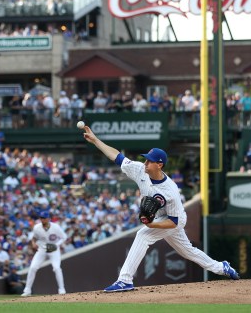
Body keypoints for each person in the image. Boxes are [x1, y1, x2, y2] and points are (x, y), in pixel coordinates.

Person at [81, 125, 240, 292]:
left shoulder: (170, 191)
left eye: (150, 160)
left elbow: (173, 222)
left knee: (143, 235)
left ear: (160, 165)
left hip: (174, 220)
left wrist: (152, 225)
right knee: (188, 252)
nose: (146, 162)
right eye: (146, 159)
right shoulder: (140, 170)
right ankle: (222, 267)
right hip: (161, 217)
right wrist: (96, 141)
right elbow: (117, 157)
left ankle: (125, 280)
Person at [21, 211, 67, 296]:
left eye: (44, 218)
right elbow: (34, 238)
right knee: (33, 267)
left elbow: (64, 237)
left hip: (54, 250)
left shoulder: (55, 227)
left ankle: (62, 289)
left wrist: (56, 245)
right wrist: (34, 243)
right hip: (42, 249)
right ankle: (27, 290)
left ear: (48, 218)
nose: (42, 220)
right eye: (41, 218)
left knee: (56, 268)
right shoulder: (37, 227)